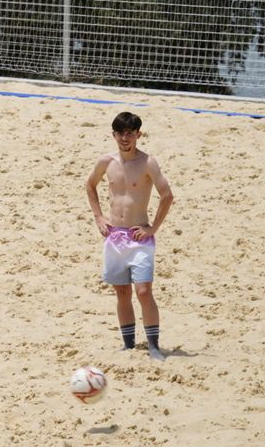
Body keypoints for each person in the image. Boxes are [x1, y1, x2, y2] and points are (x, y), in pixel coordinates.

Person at [85, 111, 175, 361]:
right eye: (121, 133)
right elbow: (90, 185)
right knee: (122, 292)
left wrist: (153, 228)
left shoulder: (148, 162)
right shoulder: (106, 161)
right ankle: (128, 344)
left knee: (144, 291)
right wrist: (98, 216)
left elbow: (167, 195)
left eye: (130, 134)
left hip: (139, 236)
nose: (126, 138)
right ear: (113, 135)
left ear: (138, 134)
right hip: (114, 236)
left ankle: (154, 345)